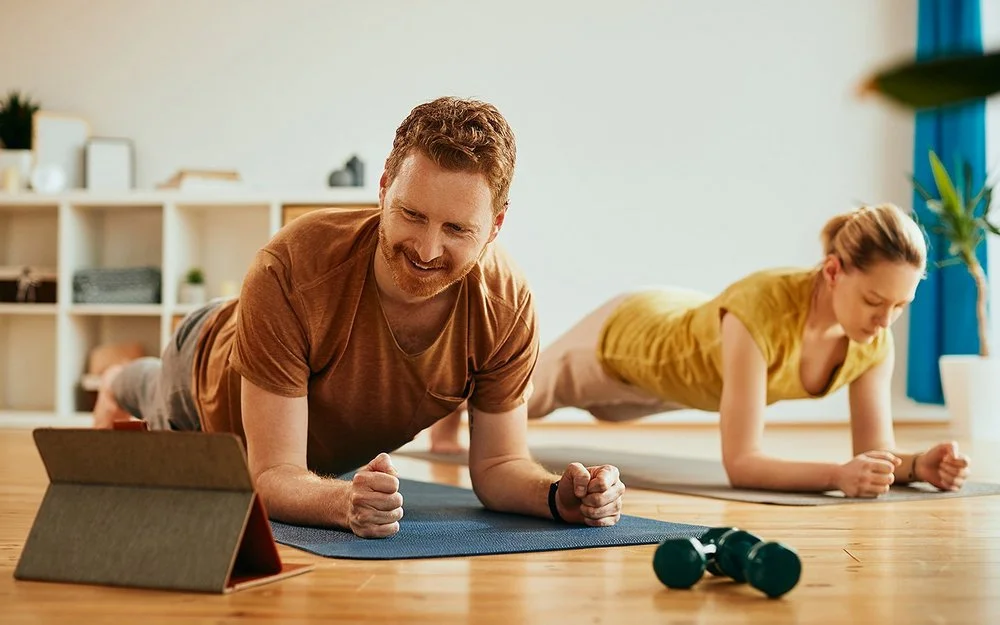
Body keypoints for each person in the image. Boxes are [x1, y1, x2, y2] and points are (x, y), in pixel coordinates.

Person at [93, 96, 625, 537]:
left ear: (495, 226)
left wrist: (558, 497)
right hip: (205, 372)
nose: (427, 248)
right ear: (384, 187)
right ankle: (118, 377)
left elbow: (496, 467)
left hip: (305, 411)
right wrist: (343, 502)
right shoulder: (289, 266)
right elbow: (274, 473)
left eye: (457, 230)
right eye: (411, 214)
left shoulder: (504, 307)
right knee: (148, 397)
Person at [433, 203, 971, 498]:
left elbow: (875, 451)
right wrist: (836, 476)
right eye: (876, 300)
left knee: (583, 411)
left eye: (901, 307)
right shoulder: (762, 309)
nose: (886, 320)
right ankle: (446, 419)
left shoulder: (874, 340)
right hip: (629, 338)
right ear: (833, 272)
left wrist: (920, 464)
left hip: (686, 356)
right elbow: (743, 464)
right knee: (514, 400)